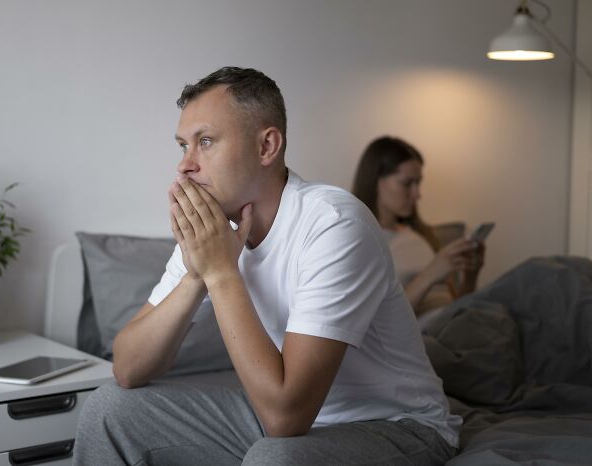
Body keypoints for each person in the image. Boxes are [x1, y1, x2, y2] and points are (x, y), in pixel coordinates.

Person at [73, 67, 460, 465]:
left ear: (266, 147)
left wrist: (222, 273)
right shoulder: (214, 231)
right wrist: (196, 275)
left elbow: (285, 416)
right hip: (280, 417)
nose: (185, 165)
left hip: (397, 424)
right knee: (110, 410)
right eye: (182, 146)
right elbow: (128, 368)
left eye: (205, 141)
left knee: (276, 458)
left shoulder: (334, 224)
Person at [351, 136, 485, 318]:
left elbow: (460, 308)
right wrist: (431, 273)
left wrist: (471, 274)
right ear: (377, 181)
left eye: (418, 183)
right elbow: (379, 321)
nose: (417, 194)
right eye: (407, 183)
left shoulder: (423, 235)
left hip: (454, 325)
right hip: (426, 336)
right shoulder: (360, 241)